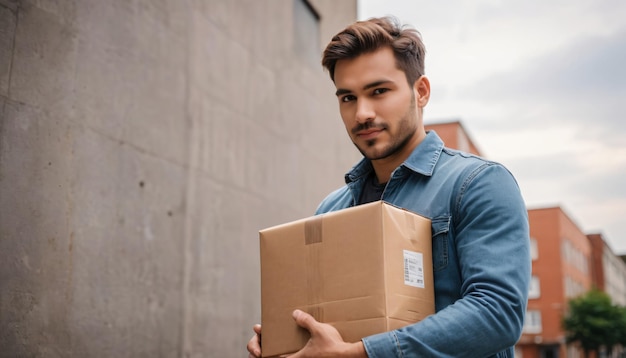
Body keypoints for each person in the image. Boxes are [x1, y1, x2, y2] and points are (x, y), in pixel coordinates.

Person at [248, 16, 530, 358]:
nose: (362, 113)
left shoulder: (478, 184)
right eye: (348, 98)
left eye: (378, 91)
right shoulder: (331, 209)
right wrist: (285, 343)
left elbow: (497, 313)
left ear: (421, 91)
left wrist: (360, 354)